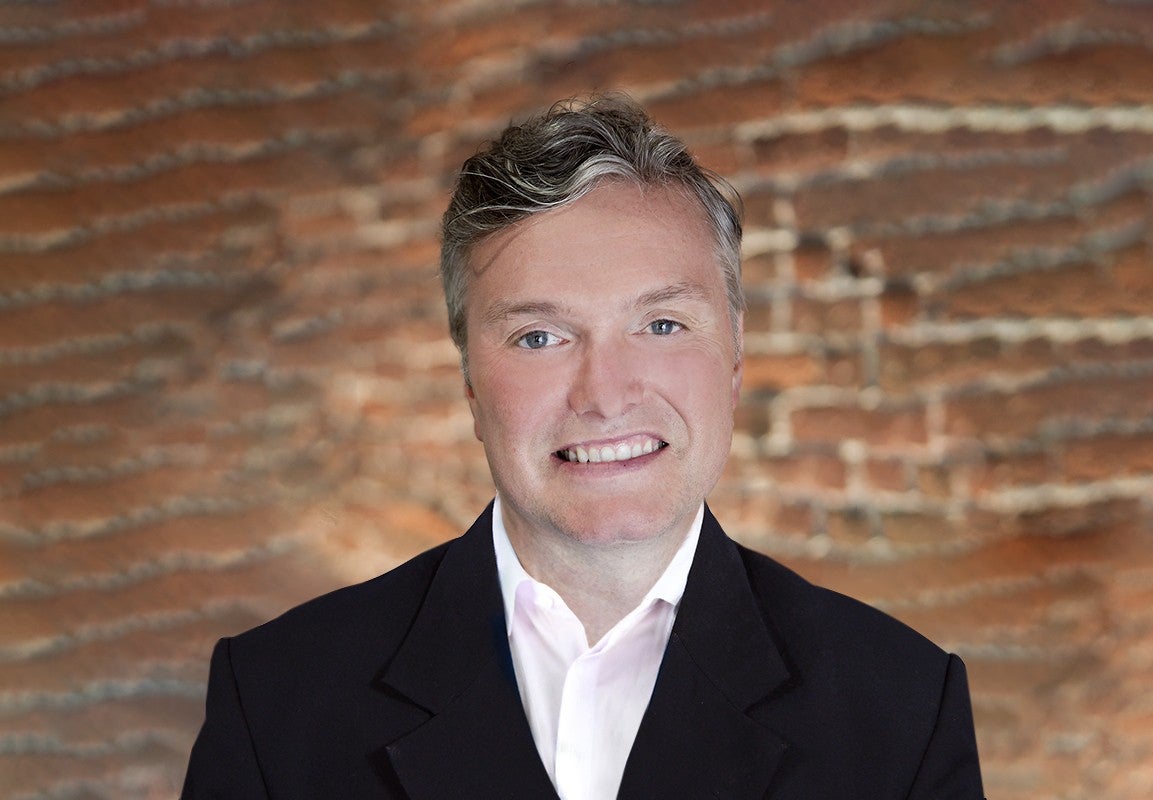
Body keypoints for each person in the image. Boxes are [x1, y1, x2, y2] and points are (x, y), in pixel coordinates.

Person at [182, 95, 986, 799]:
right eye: (540, 336)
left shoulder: (903, 711)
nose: (604, 394)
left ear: (736, 355)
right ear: (470, 381)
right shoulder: (278, 702)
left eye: (661, 325)